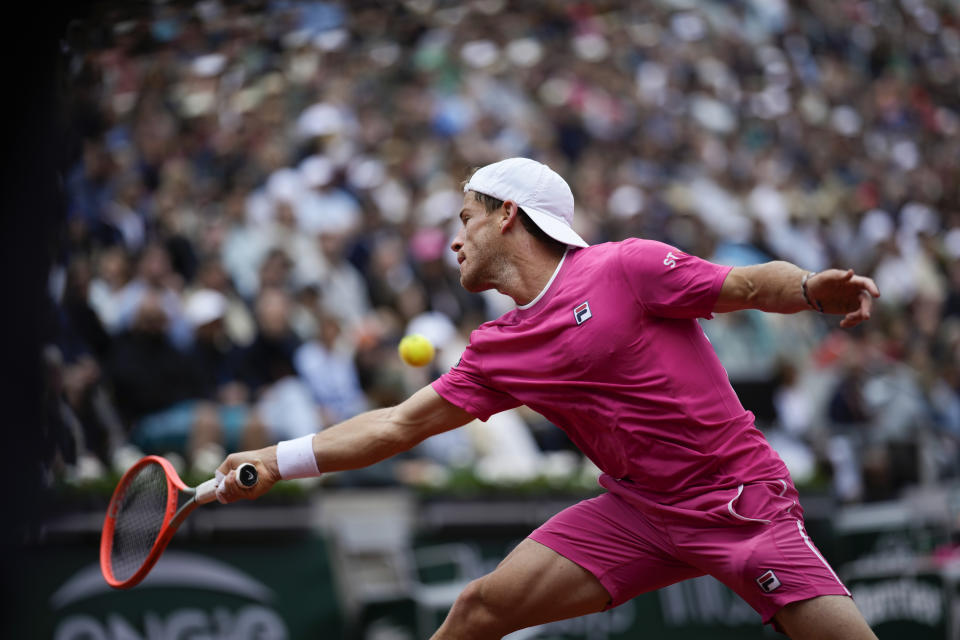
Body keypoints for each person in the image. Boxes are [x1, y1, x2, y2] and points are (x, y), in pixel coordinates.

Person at [215, 158, 880, 639]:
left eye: (465, 219)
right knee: (478, 610)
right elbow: (395, 425)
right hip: (639, 513)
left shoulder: (625, 266)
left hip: (738, 501)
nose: (454, 240)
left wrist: (812, 291)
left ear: (508, 215)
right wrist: (278, 459)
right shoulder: (496, 347)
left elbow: (750, 285)